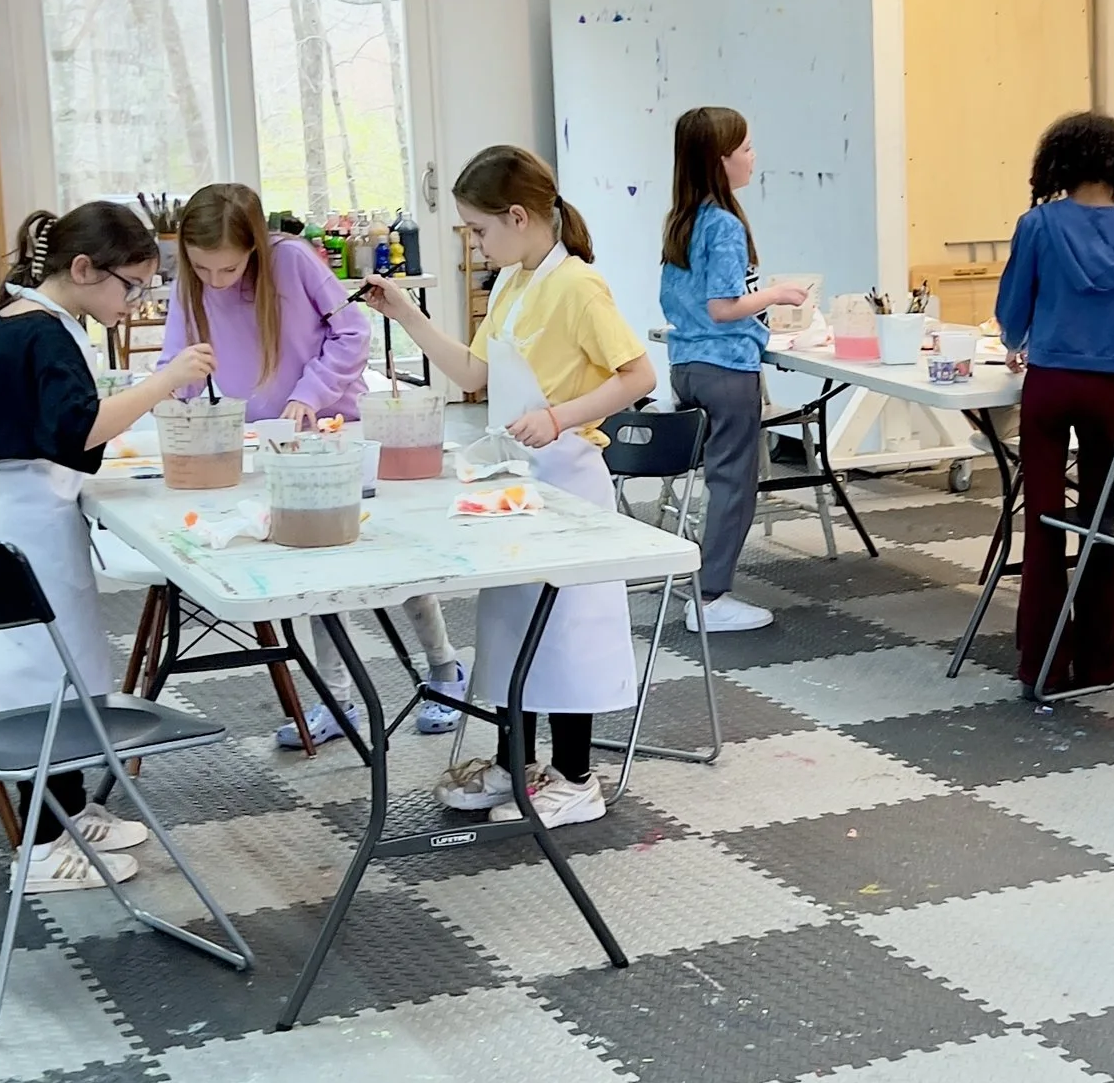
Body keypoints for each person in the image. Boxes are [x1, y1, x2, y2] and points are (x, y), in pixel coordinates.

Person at [363, 146, 656, 827]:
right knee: (509, 627)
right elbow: (471, 373)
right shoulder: (511, 283)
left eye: (478, 230)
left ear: (519, 217)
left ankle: (577, 776)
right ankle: (515, 760)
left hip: (570, 476)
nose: (474, 242)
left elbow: (639, 376)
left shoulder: (578, 285)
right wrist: (406, 313)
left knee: (567, 632)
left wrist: (559, 416)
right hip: (517, 479)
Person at [0, 203, 216, 891]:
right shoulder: (43, 333)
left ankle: (70, 812)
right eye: (131, 287)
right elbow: (81, 428)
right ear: (83, 269)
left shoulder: (11, 318)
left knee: (63, 676)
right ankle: (39, 851)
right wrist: (164, 381)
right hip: (26, 529)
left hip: (13, 518)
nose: (135, 302)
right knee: (41, 689)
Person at [163, 181, 468, 743]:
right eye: (202, 269)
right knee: (314, 566)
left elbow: (351, 330)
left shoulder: (293, 261)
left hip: (333, 430)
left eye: (227, 270)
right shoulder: (191, 284)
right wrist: (179, 406)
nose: (215, 281)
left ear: (253, 246)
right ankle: (337, 700)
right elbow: (177, 363)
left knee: (387, 556)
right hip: (260, 444)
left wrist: (312, 392)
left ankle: (445, 668)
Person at [995, 111, 1114, 697]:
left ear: (1059, 164)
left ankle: (1042, 663)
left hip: (1050, 385)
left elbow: (1012, 308)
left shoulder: (1038, 226)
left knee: (1043, 522)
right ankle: (1101, 658)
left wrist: (1015, 343)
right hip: (1110, 391)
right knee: (1105, 523)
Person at [659, 107, 805, 635]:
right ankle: (712, 596)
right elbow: (724, 306)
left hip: (688, 365)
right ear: (720, 161)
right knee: (733, 485)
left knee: (718, 481)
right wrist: (776, 294)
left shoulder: (684, 218)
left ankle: (704, 584)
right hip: (726, 370)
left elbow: (693, 303)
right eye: (745, 149)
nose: (752, 156)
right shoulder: (721, 223)